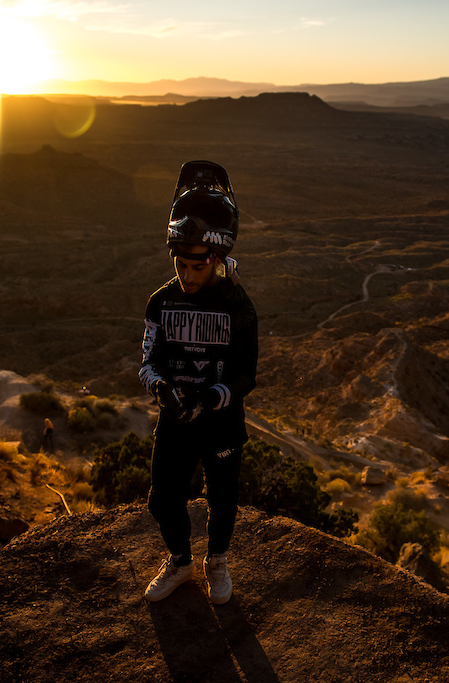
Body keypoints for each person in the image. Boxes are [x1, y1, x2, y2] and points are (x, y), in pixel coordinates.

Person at [140, 160, 258, 605]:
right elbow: (147, 361)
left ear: (217, 258)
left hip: (222, 422)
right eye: (180, 264)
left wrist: (212, 397)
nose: (187, 275)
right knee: (161, 498)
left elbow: (247, 373)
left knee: (222, 498)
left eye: (197, 266)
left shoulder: (238, 307)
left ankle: (218, 562)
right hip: (175, 420)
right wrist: (160, 389)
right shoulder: (161, 302)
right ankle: (180, 561)